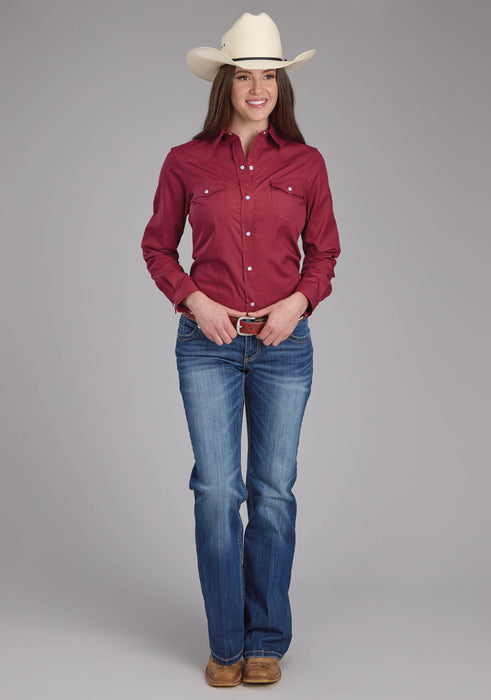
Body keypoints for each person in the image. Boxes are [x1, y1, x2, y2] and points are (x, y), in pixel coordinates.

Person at [141, 12, 341, 687]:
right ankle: (225, 644)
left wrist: (298, 303)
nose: (259, 89)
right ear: (224, 83)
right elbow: (157, 247)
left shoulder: (306, 163)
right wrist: (193, 300)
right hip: (207, 346)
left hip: (284, 346)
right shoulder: (185, 161)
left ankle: (265, 641)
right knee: (216, 490)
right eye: (246, 76)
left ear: (282, 86)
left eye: (270, 77)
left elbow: (324, 253)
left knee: (273, 492)